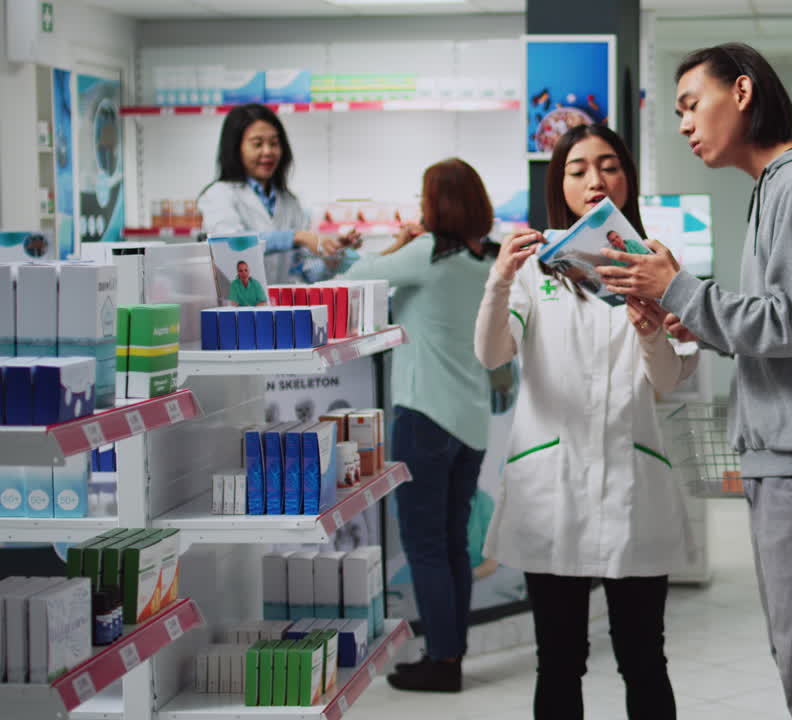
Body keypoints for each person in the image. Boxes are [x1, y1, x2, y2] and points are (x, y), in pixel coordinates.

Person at [596, 42, 792, 720]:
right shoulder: (776, 189)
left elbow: (787, 325)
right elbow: (781, 327)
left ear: (744, 92)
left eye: (693, 105)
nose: (686, 124)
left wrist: (681, 289)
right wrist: (689, 313)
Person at [474, 124, 697, 720]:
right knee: (560, 659)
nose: (595, 179)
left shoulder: (658, 266)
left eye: (608, 166)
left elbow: (669, 380)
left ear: (628, 179)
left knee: (644, 657)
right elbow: (493, 354)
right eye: (577, 169)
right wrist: (498, 281)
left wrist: (651, 325)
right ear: (560, 184)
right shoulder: (532, 269)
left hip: (632, 481)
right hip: (554, 486)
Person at [337, 158, 496, 693]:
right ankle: (450, 656)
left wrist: (394, 246)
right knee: (454, 544)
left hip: (424, 416)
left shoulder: (426, 253)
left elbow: (349, 282)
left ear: (435, 205)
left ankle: (442, 660)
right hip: (470, 423)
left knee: (425, 544)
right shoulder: (486, 260)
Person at [198, 103, 359, 284]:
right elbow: (232, 244)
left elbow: (308, 272)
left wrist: (332, 255)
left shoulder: (289, 202)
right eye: (257, 144)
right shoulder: (219, 195)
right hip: (237, 309)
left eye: (274, 143)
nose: (268, 151)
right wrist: (296, 237)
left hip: (280, 309)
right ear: (236, 148)